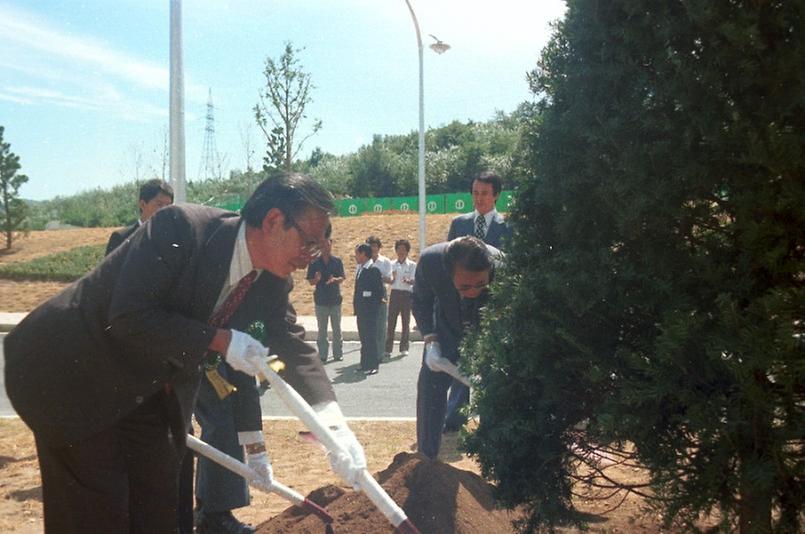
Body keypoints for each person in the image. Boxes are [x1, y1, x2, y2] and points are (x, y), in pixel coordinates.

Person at [3, 173, 367, 533]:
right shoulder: (181, 228)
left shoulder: (272, 278)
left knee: (160, 506)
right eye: (309, 243)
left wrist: (332, 423)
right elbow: (129, 317)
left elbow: (290, 340)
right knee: (99, 513)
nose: (312, 258)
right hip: (67, 372)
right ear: (273, 221)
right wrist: (221, 341)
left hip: (141, 389)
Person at [412, 236, 501, 459]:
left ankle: (496, 461)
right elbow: (420, 300)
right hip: (444, 332)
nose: (472, 291)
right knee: (430, 390)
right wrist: (431, 340)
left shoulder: (503, 267)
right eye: (464, 286)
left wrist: (492, 354)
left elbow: (509, 315)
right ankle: (426, 460)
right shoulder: (431, 262)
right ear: (448, 272)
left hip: (485, 333)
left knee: (497, 396)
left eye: (480, 284)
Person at [444, 171, 512, 431]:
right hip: (462, 306)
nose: (479, 198)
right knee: (462, 360)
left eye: (484, 193)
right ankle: (454, 417)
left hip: (494, 307)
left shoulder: (507, 227)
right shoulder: (458, 224)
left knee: (492, 362)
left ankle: (491, 419)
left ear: (496, 195)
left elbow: (511, 266)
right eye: (475, 193)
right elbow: (448, 266)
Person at [105, 178, 174, 255]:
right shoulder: (122, 238)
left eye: (168, 206)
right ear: (142, 204)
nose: (164, 210)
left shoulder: (173, 239)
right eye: (159, 204)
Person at [306, 228, 345, 363]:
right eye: (322, 245)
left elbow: (342, 278)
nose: (325, 247)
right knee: (322, 331)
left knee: (337, 330)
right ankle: (322, 355)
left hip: (335, 300)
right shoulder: (314, 262)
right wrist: (316, 280)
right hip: (321, 300)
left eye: (327, 244)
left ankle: (338, 354)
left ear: (331, 244)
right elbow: (310, 281)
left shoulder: (337, 261)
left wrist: (335, 280)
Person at [353, 243, 383, 375]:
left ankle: (373, 364)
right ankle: (364, 363)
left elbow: (379, 291)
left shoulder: (373, 269)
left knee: (371, 338)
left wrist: (369, 300)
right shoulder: (360, 268)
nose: (356, 256)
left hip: (370, 310)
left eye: (357, 254)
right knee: (364, 338)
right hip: (361, 310)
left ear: (364, 254)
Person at [385, 239, 416, 357]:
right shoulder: (391, 264)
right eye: (399, 249)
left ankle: (404, 347)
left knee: (405, 322)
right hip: (394, 294)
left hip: (406, 295)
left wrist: (408, 281)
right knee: (391, 322)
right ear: (396, 250)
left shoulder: (412, 265)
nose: (401, 252)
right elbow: (388, 279)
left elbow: (414, 280)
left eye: (403, 250)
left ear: (407, 251)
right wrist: (391, 278)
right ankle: (388, 348)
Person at [365, 236, 393, 361]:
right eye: (370, 246)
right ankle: (370, 354)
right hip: (367, 295)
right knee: (369, 325)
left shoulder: (385, 261)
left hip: (381, 294)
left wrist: (377, 277)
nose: (373, 249)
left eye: (375, 246)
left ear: (379, 247)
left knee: (381, 325)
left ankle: (380, 354)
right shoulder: (364, 261)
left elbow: (390, 279)